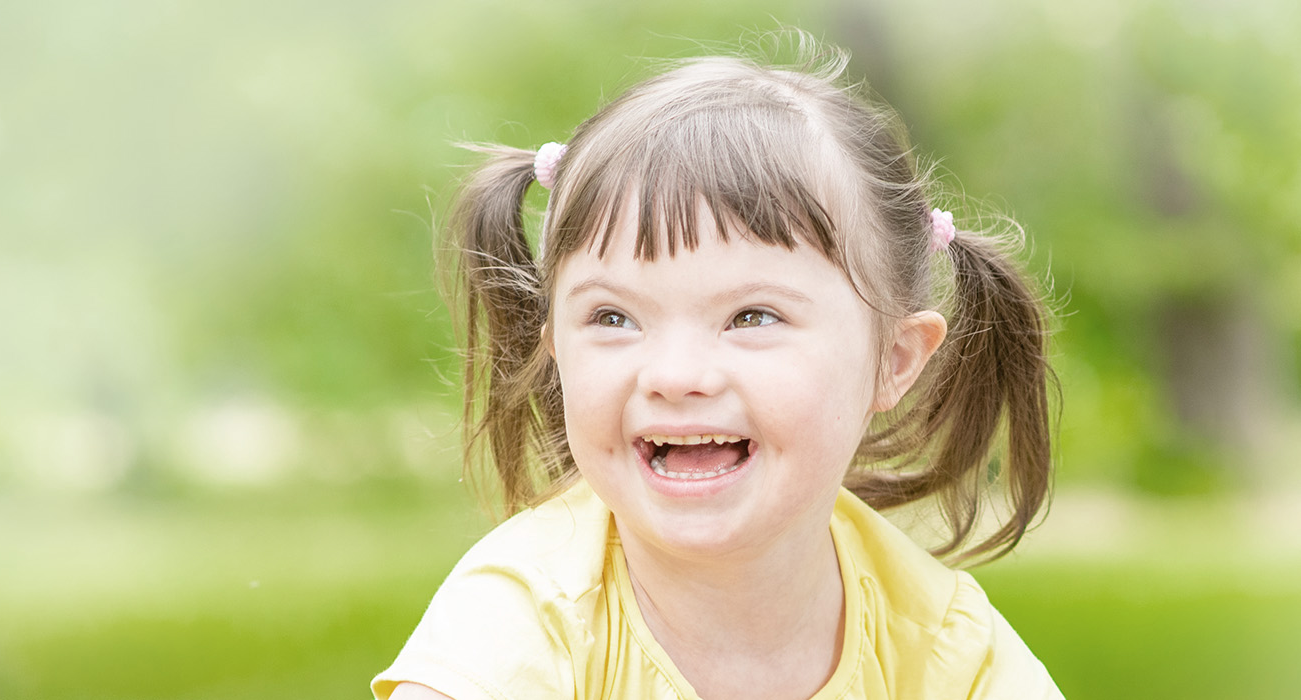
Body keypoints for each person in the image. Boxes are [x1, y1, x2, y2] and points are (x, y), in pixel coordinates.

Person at [373, 33, 1064, 700]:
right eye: (613, 318)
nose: (674, 374)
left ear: (895, 358)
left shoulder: (942, 645)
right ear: (557, 350)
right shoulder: (519, 628)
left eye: (751, 317)